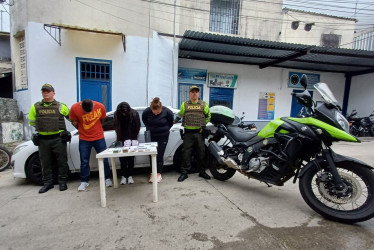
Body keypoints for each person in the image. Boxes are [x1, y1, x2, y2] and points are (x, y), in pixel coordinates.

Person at [28, 83, 70, 193]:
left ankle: (62, 181)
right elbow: (31, 121)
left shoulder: (61, 106)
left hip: (58, 138)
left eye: (48, 91)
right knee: (45, 162)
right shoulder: (35, 106)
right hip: (43, 140)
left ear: (53, 93)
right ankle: (47, 183)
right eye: (44, 91)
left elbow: (71, 118)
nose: (45, 93)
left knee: (61, 161)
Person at [69, 99, 113, 191]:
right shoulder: (74, 108)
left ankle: (107, 178)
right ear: (81, 107)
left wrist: (96, 129)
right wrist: (81, 130)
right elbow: (73, 122)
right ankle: (84, 181)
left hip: (99, 137)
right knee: (84, 161)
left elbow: (103, 120)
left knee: (104, 158)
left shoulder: (100, 106)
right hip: (84, 139)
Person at [174, 85, 211, 182]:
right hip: (188, 134)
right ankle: (184, 172)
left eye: (196, 92)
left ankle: (202, 171)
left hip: (199, 133)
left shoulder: (204, 104)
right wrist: (174, 121)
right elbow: (180, 114)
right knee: (186, 153)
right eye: (192, 92)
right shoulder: (184, 104)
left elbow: (208, 116)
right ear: (189, 94)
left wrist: (203, 124)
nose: (194, 94)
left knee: (201, 153)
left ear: (198, 93)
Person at [142, 97, 174, 183]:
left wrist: (164, 129)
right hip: (150, 137)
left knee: (159, 154)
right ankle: (152, 173)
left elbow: (170, 123)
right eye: (154, 112)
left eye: (158, 112)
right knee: (151, 155)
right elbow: (145, 121)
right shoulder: (146, 112)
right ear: (151, 109)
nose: (156, 114)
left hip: (162, 136)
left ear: (161, 108)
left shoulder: (167, 112)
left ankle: (158, 173)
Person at [114, 102, 141, 185]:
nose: (124, 114)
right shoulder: (117, 114)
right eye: (122, 112)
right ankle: (123, 176)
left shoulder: (134, 113)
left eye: (125, 112)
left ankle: (130, 176)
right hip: (121, 138)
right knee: (122, 159)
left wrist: (133, 139)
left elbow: (137, 126)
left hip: (131, 138)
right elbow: (115, 126)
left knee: (131, 158)